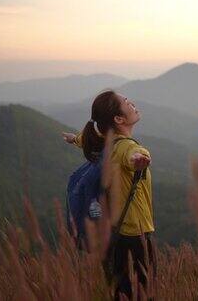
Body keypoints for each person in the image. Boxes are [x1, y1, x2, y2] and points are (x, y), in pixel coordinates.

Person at [62, 90, 156, 300]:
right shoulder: (125, 146)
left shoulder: (108, 141)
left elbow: (90, 137)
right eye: (125, 102)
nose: (131, 102)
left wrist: (74, 139)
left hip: (114, 237)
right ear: (118, 119)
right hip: (136, 238)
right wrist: (139, 158)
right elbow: (131, 156)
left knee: (120, 293)